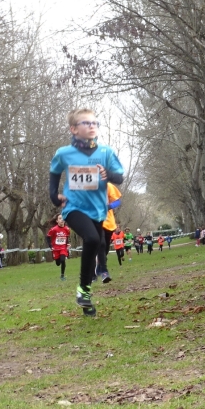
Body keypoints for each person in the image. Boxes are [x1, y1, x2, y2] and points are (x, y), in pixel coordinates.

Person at [49, 108, 124, 316]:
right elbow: (54, 175)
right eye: (86, 123)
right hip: (73, 208)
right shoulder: (63, 154)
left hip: (98, 211)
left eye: (94, 123)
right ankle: (84, 288)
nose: (92, 126)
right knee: (92, 239)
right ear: (74, 129)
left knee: (96, 243)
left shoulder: (105, 152)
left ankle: (85, 293)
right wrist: (54, 197)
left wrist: (107, 174)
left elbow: (119, 178)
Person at [97, 182, 121, 283]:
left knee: (105, 248)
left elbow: (118, 202)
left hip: (108, 222)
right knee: (101, 244)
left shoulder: (108, 186)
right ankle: (104, 272)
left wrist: (109, 206)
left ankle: (100, 265)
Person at [47, 214, 71, 281]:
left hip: (63, 248)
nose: (62, 220)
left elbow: (66, 238)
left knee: (63, 260)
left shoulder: (67, 229)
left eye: (62, 218)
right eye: (60, 218)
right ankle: (58, 260)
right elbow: (48, 237)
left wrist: (68, 244)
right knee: (58, 263)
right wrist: (50, 246)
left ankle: (62, 275)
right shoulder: (53, 229)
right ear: (57, 221)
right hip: (56, 249)